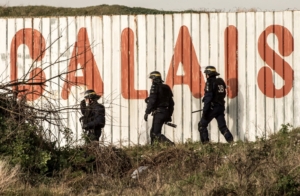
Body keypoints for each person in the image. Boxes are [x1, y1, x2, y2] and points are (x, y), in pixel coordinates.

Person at [198, 66, 234, 144]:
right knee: (222, 127)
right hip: (220, 107)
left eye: (206, 73)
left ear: (209, 74)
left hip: (212, 108)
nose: (206, 75)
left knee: (202, 125)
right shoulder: (220, 81)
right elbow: (223, 95)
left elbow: (208, 98)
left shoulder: (209, 82)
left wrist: (205, 112)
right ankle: (231, 142)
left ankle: (206, 145)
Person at [144, 71, 175, 146]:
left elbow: (152, 100)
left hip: (159, 113)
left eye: (152, 79)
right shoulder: (166, 87)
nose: (151, 81)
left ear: (155, 79)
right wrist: (169, 115)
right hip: (165, 112)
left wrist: (147, 112)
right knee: (153, 132)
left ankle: (171, 144)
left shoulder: (155, 87)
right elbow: (171, 103)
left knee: (155, 133)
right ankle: (154, 148)